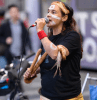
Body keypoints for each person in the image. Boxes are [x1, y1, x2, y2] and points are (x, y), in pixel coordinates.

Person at [24, 1, 84, 100]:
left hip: (68, 97)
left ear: (64, 18)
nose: (48, 15)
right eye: (48, 12)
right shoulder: (47, 39)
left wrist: (40, 31)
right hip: (46, 96)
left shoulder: (73, 36)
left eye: (53, 12)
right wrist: (34, 71)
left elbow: (55, 54)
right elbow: (47, 63)